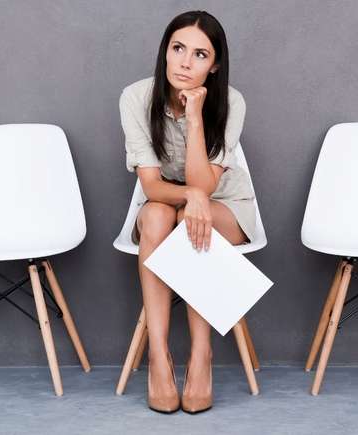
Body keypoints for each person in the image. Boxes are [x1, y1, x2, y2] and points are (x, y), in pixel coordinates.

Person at [118, 10, 255, 414]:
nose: (185, 62)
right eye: (178, 48)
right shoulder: (136, 97)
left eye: (199, 55)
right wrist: (192, 198)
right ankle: (159, 357)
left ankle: (201, 355)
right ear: (165, 52)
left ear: (214, 66)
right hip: (166, 203)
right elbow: (150, 186)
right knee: (163, 214)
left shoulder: (231, 102)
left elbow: (207, 186)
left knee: (185, 218)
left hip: (226, 207)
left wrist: (195, 118)